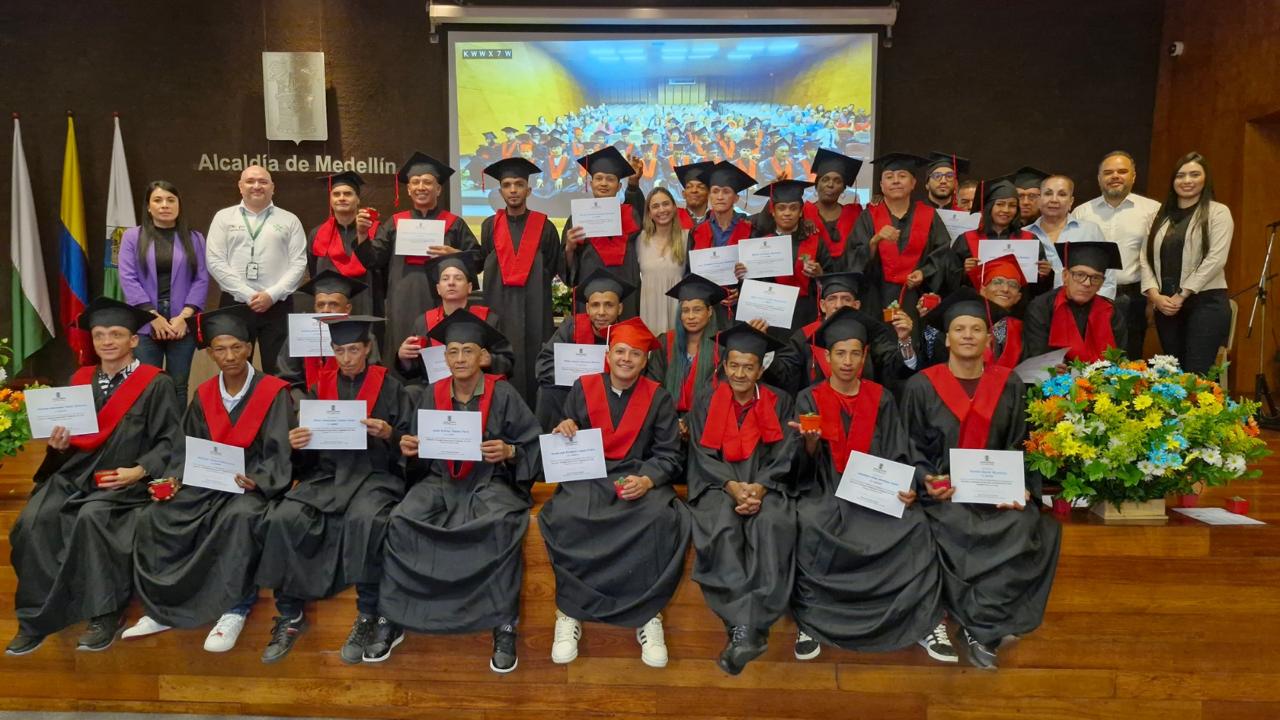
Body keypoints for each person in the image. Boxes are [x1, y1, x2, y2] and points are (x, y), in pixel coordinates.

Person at [6, 298, 180, 655]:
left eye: (116, 334)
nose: (107, 341)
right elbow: (72, 441)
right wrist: (59, 445)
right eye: (100, 334)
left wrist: (139, 470)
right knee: (33, 520)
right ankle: (36, 618)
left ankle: (105, 612)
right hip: (76, 474)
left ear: (134, 341)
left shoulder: (155, 384)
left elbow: (171, 443)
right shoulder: (80, 379)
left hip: (121, 478)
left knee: (93, 518)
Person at [902, 292, 1061, 671]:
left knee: (1029, 526)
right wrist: (928, 479)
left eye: (977, 329)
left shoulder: (1009, 384)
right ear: (946, 339)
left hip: (995, 495)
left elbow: (1020, 441)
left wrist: (1022, 486)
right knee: (944, 526)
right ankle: (983, 626)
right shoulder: (922, 386)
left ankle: (979, 626)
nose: (969, 336)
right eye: (960, 329)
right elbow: (908, 444)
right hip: (945, 497)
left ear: (990, 339)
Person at [787, 307, 950, 664]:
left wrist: (908, 487)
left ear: (865, 356)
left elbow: (900, 451)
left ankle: (926, 622)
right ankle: (810, 622)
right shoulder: (808, 398)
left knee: (917, 526)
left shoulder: (883, 397)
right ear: (826, 356)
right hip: (825, 489)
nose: (847, 361)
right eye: (840, 353)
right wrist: (810, 445)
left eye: (855, 353)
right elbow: (799, 469)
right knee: (809, 521)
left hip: (875, 491)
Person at [382, 312, 542, 674]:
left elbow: (535, 445)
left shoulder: (503, 393)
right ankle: (393, 617)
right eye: (452, 352)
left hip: (490, 481)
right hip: (439, 481)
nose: (459, 359)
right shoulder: (431, 393)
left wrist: (510, 452)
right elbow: (415, 445)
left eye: (467, 351)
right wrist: (408, 447)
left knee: (502, 522)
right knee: (401, 519)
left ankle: (503, 622)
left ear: (482, 356)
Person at [126, 304, 293, 652]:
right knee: (157, 515)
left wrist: (257, 479)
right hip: (207, 483)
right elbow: (185, 446)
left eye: (236, 347)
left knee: (239, 516)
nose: (229, 356)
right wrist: (173, 479)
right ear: (211, 353)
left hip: (250, 486)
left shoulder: (274, 392)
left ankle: (234, 608)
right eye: (220, 348)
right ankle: (163, 608)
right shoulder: (203, 394)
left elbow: (279, 450)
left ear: (249, 348)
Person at [255, 316, 413, 665]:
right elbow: (308, 452)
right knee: (285, 516)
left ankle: (368, 614)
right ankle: (289, 613)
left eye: (353, 349)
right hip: (328, 475)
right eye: (339, 351)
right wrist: (298, 442)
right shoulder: (320, 386)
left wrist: (389, 433)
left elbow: (411, 440)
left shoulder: (390, 386)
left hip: (375, 474)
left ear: (368, 349)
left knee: (366, 519)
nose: (346, 358)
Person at [540, 317, 689, 668]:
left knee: (658, 518)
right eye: (620, 351)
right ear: (607, 355)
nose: (626, 359)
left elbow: (669, 454)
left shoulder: (659, 397)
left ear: (645, 360)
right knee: (566, 513)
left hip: (638, 477)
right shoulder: (583, 386)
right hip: (590, 475)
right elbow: (568, 429)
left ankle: (648, 616)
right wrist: (565, 426)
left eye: (634, 354)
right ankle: (569, 612)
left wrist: (649, 480)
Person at [685, 323, 798, 675]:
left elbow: (785, 453)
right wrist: (734, 487)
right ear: (724, 365)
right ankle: (747, 628)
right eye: (734, 365)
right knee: (721, 524)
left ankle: (745, 629)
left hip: (767, 487)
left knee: (773, 523)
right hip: (718, 486)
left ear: (760, 370)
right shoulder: (706, 398)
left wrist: (760, 486)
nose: (740, 373)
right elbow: (702, 455)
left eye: (748, 367)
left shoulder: (779, 401)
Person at [205, 164, 308, 375]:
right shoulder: (224, 217)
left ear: (273, 187)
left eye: (263, 181)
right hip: (236, 304)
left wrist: (271, 295)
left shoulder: (289, 220)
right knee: (235, 368)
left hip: (277, 304)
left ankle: (278, 408)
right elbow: (215, 261)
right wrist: (248, 294)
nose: (256, 186)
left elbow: (298, 263)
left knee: (281, 371)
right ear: (240, 187)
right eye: (250, 181)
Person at [478, 157, 566, 402]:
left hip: (535, 307)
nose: (513, 190)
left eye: (518, 184)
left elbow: (552, 266)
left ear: (529, 189)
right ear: (500, 191)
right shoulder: (489, 226)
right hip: (499, 309)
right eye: (507, 185)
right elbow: (483, 260)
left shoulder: (545, 227)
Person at [377, 152, 479, 364]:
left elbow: (478, 259)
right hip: (402, 299)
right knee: (403, 349)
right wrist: (360, 236)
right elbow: (375, 259)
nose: (421, 187)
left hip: (439, 300)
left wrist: (456, 254)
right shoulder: (394, 223)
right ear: (408, 189)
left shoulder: (454, 223)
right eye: (415, 182)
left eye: (427, 182)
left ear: (438, 189)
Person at [1140, 152, 1233, 375]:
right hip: (1166, 305)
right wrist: (1154, 295)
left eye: (1194, 175)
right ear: (1173, 181)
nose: (1187, 181)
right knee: (1174, 374)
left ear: (1205, 179)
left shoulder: (1218, 212)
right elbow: (1145, 257)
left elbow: (1216, 259)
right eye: (1181, 175)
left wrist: (1182, 295)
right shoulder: (1157, 214)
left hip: (1205, 304)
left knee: (1197, 375)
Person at [118, 180, 210, 402]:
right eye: (157, 200)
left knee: (179, 385)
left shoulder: (194, 238)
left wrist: (184, 317)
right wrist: (152, 316)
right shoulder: (132, 237)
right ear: (148, 207)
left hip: (181, 322)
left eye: (171, 200)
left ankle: (177, 437)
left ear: (179, 205)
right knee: (149, 385)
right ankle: (152, 436)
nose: (165, 205)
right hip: (145, 320)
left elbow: (201, 279)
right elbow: (128, 278)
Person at [1072, 151, 1163, 361]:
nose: (1115, 176)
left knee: (1129, 361)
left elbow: (1156, 257)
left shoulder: (1152, 210)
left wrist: (1152, 299)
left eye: (1122, 171)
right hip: (1089, 297)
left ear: (1133, 176)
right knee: (1088, 359)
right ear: (1099, 178)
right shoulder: (1082, 212)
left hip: (1132, 299)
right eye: (1108, 172)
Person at [766, 272, 915, 394]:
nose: (839, 305)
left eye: (846, 299)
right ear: (823, 306)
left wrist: (904, 340)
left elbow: (894, 368)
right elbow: (783, 374)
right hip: (815, 410)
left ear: (856, 305)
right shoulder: (805, 336)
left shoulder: (871, 335)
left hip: (863, 411)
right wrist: (762, 343)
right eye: (832, 299)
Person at [846, 153, 953, 321]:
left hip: (916, 300)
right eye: (889, 177)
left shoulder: (929, 215)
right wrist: (874, 241)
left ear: (913, 183)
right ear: (881, 185)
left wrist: (923, 273)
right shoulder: (868, 217)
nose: (895, 181)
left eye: (902, 176)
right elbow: (852, 258)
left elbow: (943, 254)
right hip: (875, 299)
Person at [394, 251, 514, 389]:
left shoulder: (488, 319)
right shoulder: (423, 322)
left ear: (469, 288)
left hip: (478, 390)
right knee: (411, 391)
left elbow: (507, 363)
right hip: (435, 391)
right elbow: (415, 371)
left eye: (458, 278)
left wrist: (490, 361)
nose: (451, 283)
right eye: (445, 279)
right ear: (438, 289)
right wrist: (404, 359)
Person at [533, 268, 633, 430]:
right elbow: (544, 365)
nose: (601, 312)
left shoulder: (628, 334)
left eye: (609, 305)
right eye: (595, 305)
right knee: (547, 392)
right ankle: (549, 448)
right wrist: (577, 379)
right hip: (570, 393)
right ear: (587, 309)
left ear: (620, 308)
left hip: (610, 396)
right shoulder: (572, 327)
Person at [563, 146, 645, 319]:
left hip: (627, 295)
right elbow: (568, 268)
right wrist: (569, 247)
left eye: (610, 179)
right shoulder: (578, 217)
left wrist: (633, 184)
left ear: (618, 185)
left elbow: (640, 209)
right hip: (590, 293)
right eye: (598, 178)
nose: (603, 183)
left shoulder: (631, 214)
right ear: (591, 184)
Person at [275, 270, 381, 400]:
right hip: (307, 404)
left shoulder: (362, 335)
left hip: (353, 402)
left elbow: (373, 377)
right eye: (320, 305)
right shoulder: (299, 334)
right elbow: (287, 377)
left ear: (347, 308)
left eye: (334, 304)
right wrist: (302, 406)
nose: (325, 310)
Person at [1023, 241, 1127, 362]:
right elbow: (1038, 357)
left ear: (1101, 284)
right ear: (1065, 276)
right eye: (1080, 275)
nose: (1087, 283)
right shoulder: (1041, 308)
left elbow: (1121, 359)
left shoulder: (1111, 312)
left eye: (1095, 278)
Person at [647, 275, 728, 426]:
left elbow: (719, 391)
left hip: (706, 421)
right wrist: (670, 421)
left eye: (697, 310)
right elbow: (653, 384)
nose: (691, 316)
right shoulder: (665, 342)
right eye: (685, 310)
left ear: (709, 311)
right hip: (665, 421)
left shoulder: (721, 345)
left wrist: (689, 422)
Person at [749, 179, 831, 328]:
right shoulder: (761, 243)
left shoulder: (815, 242)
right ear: (773, 212)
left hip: (806, 315)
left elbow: (831, 279)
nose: (787, 213)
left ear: (800, 212)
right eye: (781, 208)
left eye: (793, 208)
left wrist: (820, 274)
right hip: (770, 316)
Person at [305, 171, 384, 318]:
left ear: (358, 199)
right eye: (336, 194)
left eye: (347, 194)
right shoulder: (316, 234)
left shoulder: (375, 230)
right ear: (330, 200)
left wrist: (363, 236)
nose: (341, 198)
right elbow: (314, 270)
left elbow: (381, 267)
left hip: (367, 301)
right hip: (330, 304)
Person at [1024, 175, 1107, 299]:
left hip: (1083, 307)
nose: (1054, 200)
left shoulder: (1089, 231)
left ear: (1071, 202)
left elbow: (1107, 275)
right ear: (1039, 199)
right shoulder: (1023, 234)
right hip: (1036, 308)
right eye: (1048, 194)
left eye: (1062, 194)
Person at [949, 179, 1038, 290]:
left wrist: (1045, 274)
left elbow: (1037, 288)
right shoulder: (966, 239)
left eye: (1012, 205)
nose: (1006, 210)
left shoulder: (1030, 240)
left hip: (1018, 302)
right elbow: (948, 281)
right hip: (976, 302)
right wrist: (964, 272)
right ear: (989, 207)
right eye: (1000, 204)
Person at [636, 187, 689, 334]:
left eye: (666, 204)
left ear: (674, 207)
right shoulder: (640, 240)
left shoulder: (687, 238)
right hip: (649, 311)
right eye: (655, 206)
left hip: (677, 311)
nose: (661, 210)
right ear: (649, 213)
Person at [803, 148, 863, 261]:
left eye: (837, 181)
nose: (830, 185)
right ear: (816, 185)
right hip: (810, 274)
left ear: (843, 188)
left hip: (847, 274)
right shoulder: (803, 213)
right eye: (825, 180)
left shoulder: (854, 214)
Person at [688, 161, 756, 252]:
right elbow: (690, 265)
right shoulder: (696, 231)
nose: (720, 197)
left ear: (736, 198)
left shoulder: (750, 227)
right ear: (709, 196)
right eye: (715, 191)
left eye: (726, 192)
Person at [673, 160, 715, 229]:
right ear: (683, 194)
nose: (694, 190)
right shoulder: (673, 219)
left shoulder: (718, 219)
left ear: (708, 194)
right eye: (689, 187)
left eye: (700, 187)